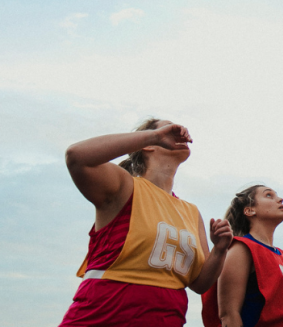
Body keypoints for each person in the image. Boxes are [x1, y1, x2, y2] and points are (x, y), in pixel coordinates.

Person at [59, 118, 233, 327]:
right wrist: (154, 136)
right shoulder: (125, 186)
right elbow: (76, 156)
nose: (180, 133)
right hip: (104, 315)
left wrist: (220, 249)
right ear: (147, 146)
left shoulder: (191, 212)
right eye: (168, 129)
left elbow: (200, 283)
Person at [201, 185, 283, 327]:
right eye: (269, 195)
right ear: (249, 210)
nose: (280, 199)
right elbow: (228, 314)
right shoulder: (242, 248)